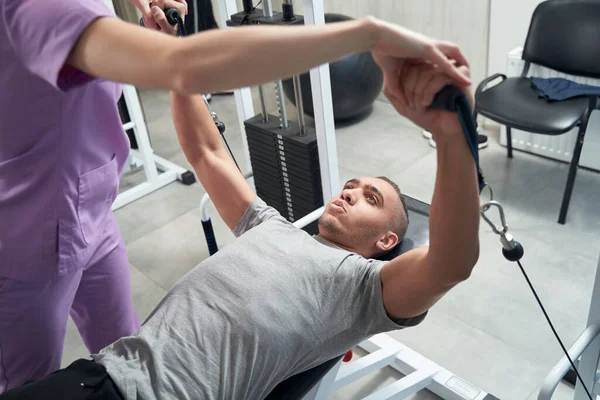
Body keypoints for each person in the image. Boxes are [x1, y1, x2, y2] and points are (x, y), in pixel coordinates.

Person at [0, 3, 480, 397]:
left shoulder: (363, 290)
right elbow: (207, 151)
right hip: (104, 373)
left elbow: (450, 264)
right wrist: (170, 43)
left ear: (387, 238)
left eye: (369, 198)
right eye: (350, 186)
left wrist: (452, 134)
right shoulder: (269, 224)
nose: (348, 193)